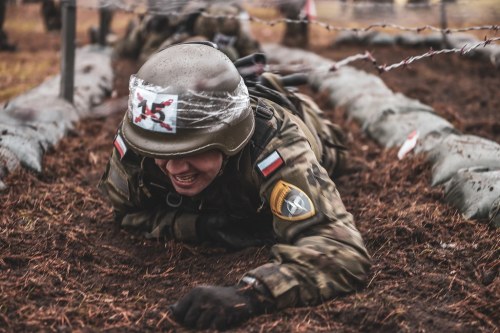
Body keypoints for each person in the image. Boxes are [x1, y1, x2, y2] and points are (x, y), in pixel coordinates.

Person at [98, 42, 371, 330]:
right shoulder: (147, 132)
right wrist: (202, 227)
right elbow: (126, 213)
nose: (175, 169)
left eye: (190, 151)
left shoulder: (275, 148)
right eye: (163, 155)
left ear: (229, 138)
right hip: (224, 108)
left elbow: (342, 251)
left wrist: (250, 294)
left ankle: (264, 85)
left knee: (330, 144)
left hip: (310, 126)